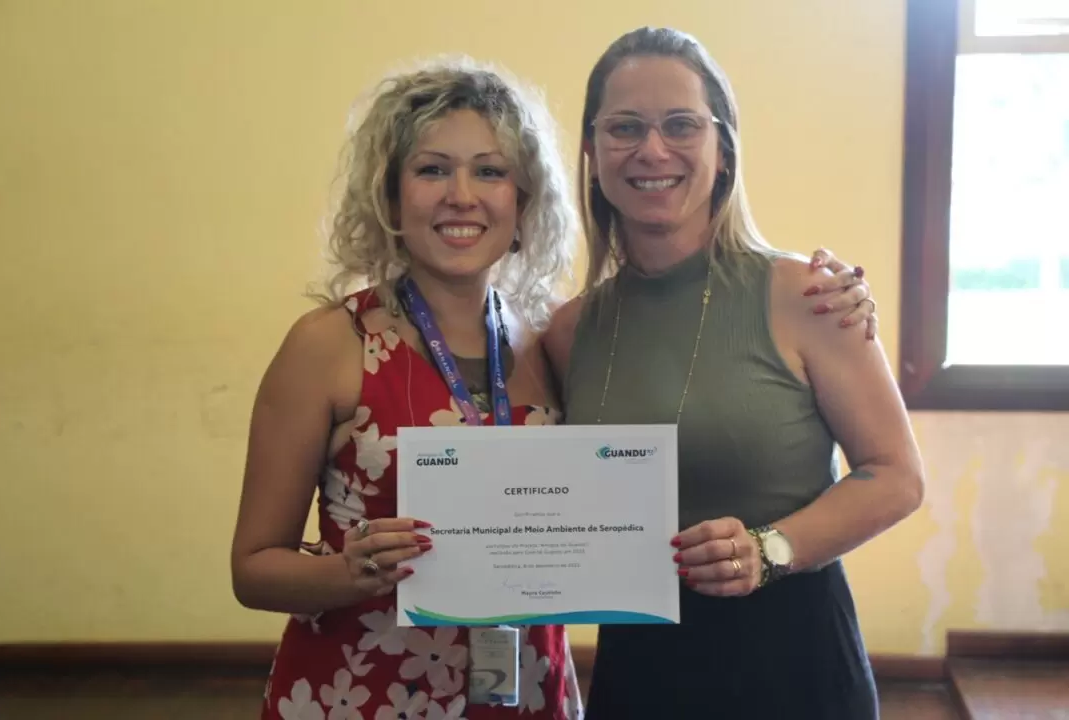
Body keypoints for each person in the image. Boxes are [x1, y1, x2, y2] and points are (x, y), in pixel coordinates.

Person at [230, 56, 880, 720]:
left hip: (530, 692)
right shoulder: (330, 344)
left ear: (523, 200)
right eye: (431, 169)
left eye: (490, 171)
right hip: (365, 692)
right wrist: (347, 572)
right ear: (390, 197)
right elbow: (252, 570)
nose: (462, 195)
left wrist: (842, 295)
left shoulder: (545, 341)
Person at [543, 27, 923, 719]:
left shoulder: (809, 296)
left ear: (723, 150)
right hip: (639, 667)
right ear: (592, 153)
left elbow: (898, 476)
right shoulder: (570, 332)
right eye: (625, 126)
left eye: (681, 124)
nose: (652, 149)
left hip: (794, 664)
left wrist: (770, 549)